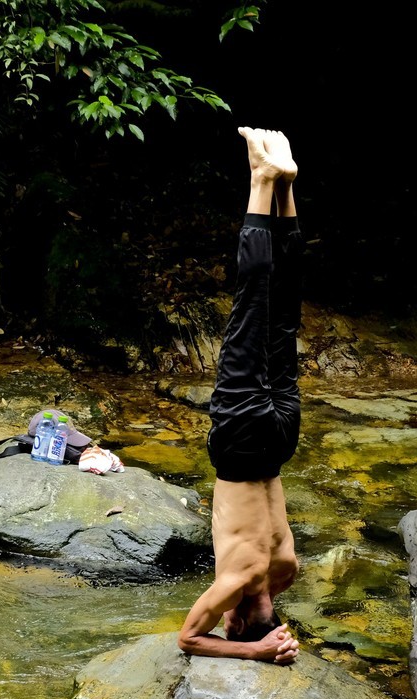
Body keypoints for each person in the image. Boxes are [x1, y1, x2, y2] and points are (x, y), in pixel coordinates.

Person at [178, 127, 303, 665]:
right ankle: (262, 180)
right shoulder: (241, 578)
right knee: (252, 305)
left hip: (280, 441)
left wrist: (270, 637)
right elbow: (187, 639)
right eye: (234, 623)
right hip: (242, 439)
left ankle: (285, 186)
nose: (223, 618)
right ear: (245, 617)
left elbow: (252, 615)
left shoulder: (284, 570)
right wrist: (253, 653)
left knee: (283, 312)